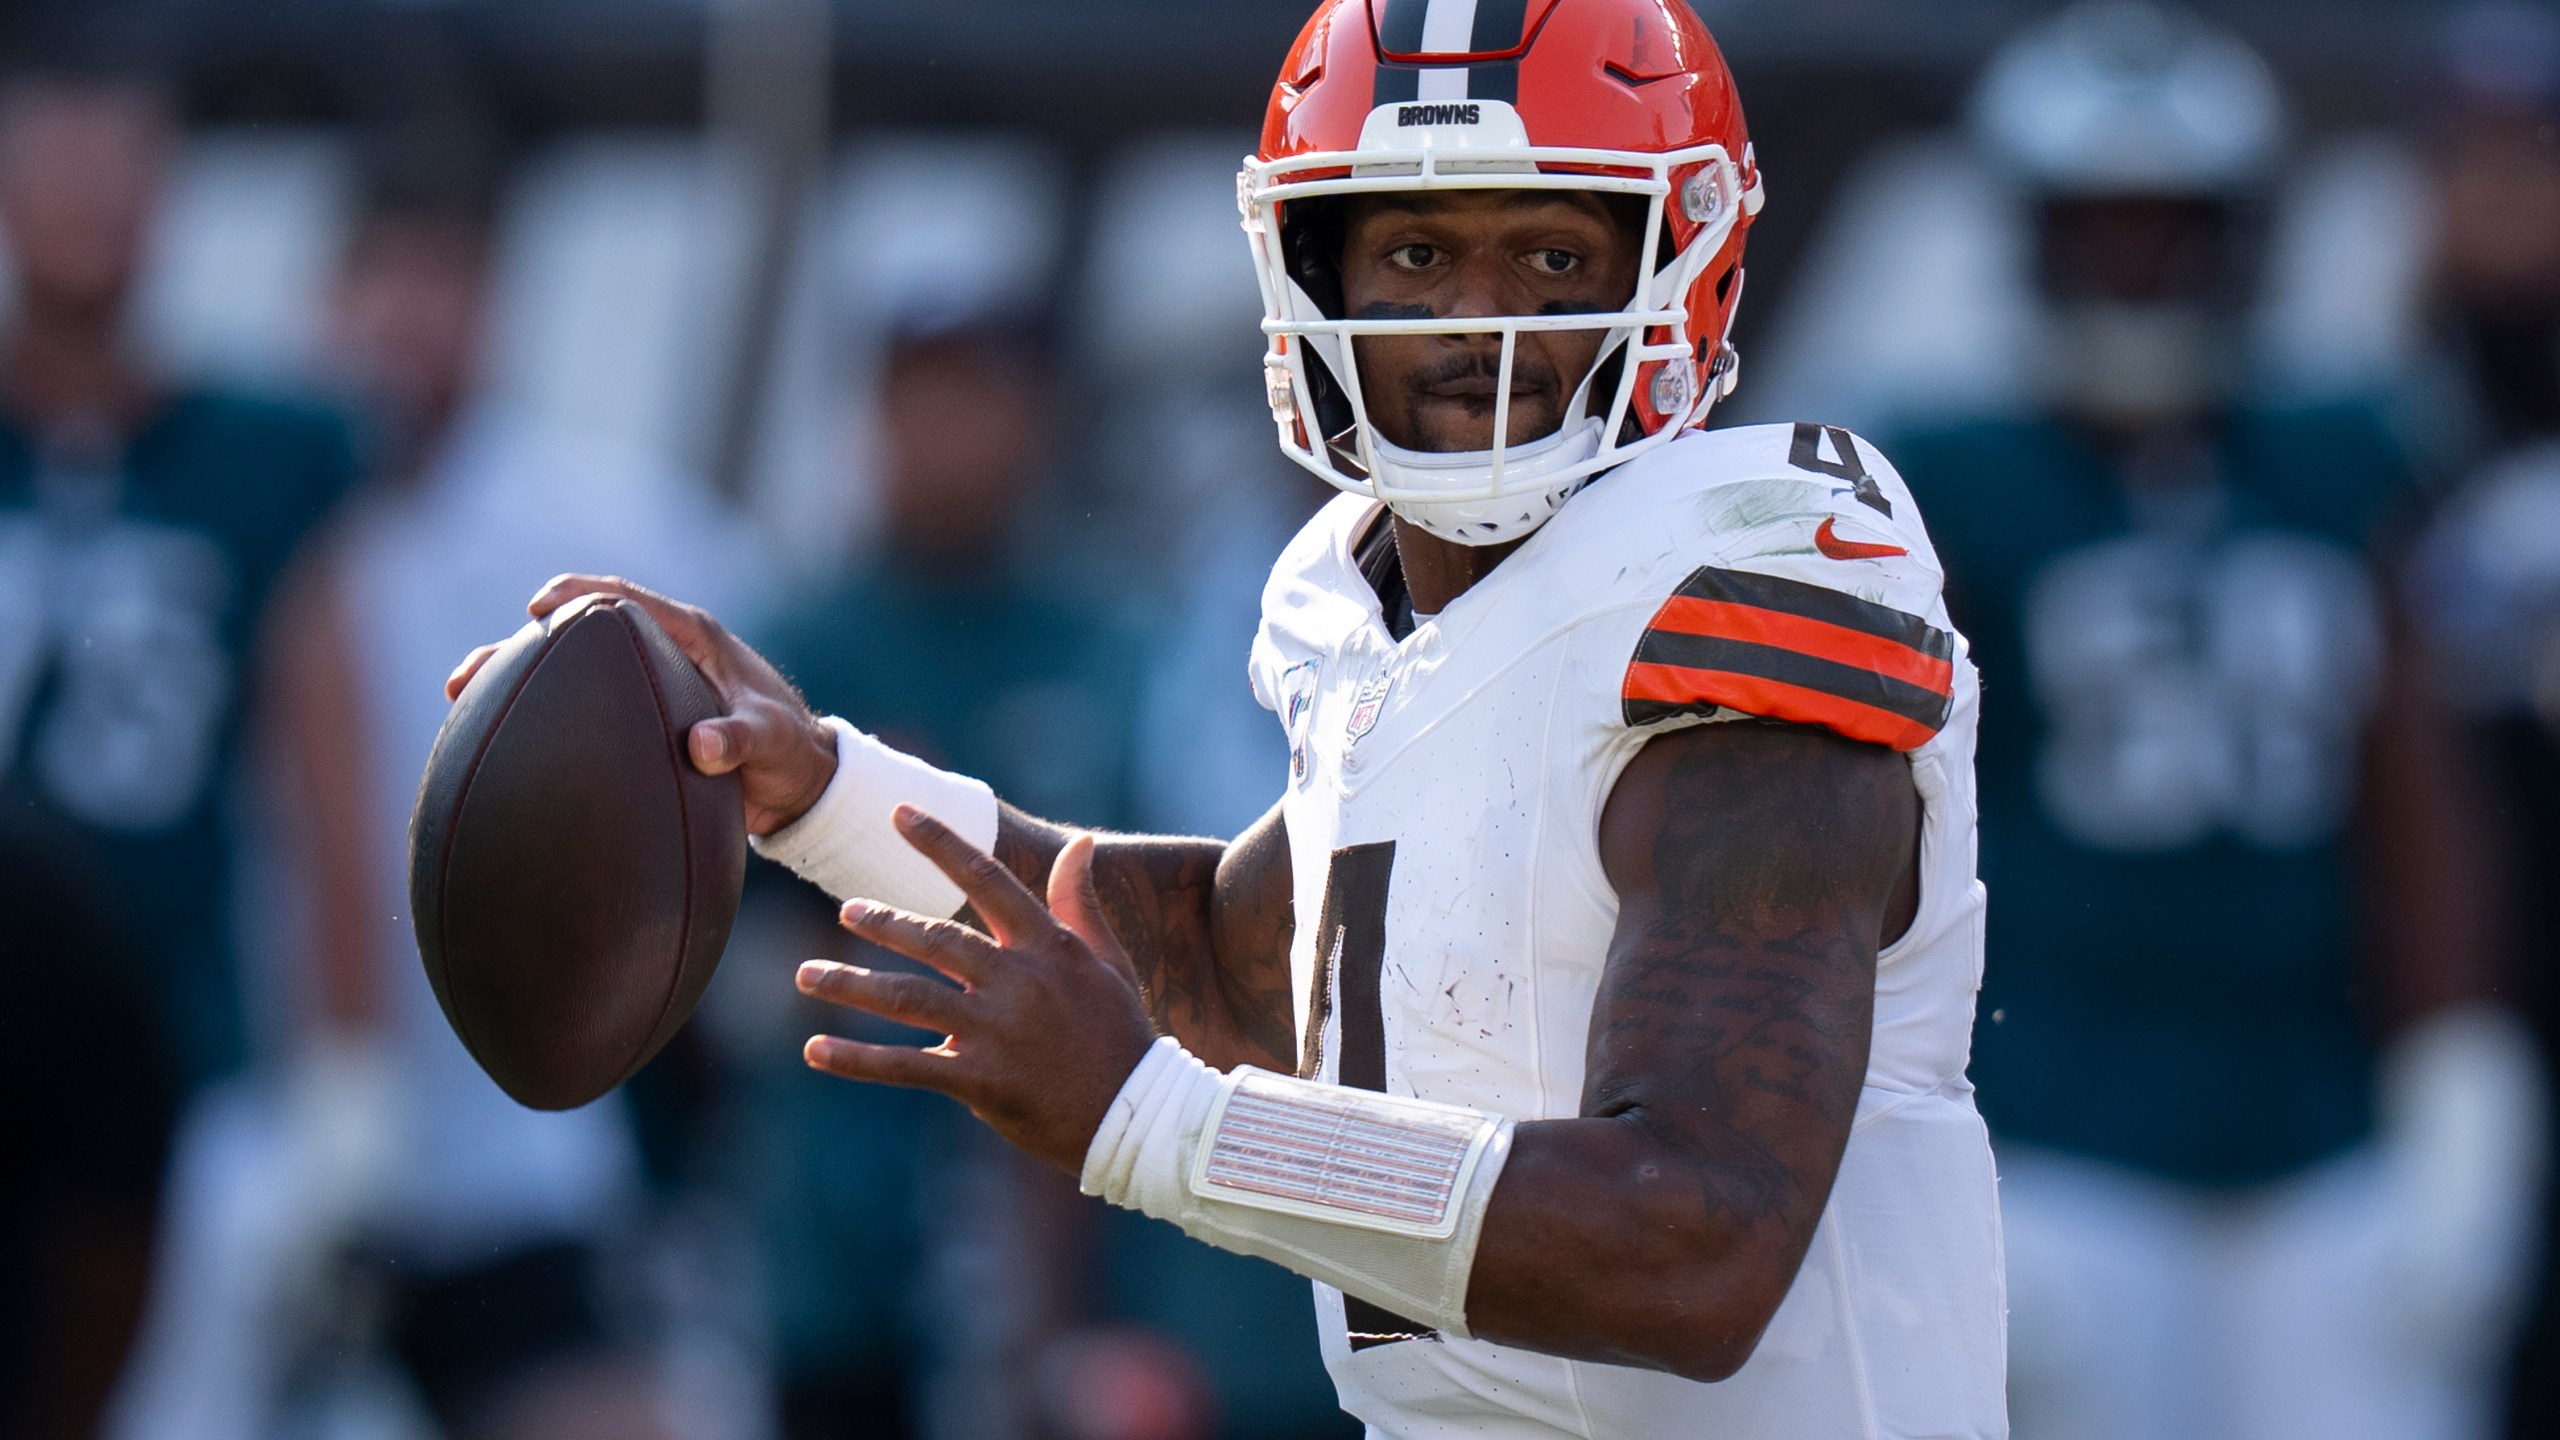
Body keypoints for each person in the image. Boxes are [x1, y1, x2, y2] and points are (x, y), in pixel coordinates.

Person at [450, 0, 2007, 1434]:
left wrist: (1151, 1124)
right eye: (1411, 256)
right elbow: (1220, 953)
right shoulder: (1367, 610)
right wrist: (817, 785)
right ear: (1308, 272)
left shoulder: (1741, 582)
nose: (1477, 324)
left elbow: (1696, 1241)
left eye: (1549, 256)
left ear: (1683, 261)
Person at [1885, 7, 2543, 1439]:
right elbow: (1877, 845)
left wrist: (2464, 1084)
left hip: (2328, 1127)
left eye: (2175, 227)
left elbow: (2419, 791)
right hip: (2058, 1129)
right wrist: (1904, 1136)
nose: (2144, 267)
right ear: (2027, 235)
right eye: (2103, 229)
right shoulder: (1941, 482)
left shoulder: (2345, 454)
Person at [0, 61, 359, 1092]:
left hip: (168, 1043)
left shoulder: (264, 455)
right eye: (58, 179)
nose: (85, 212)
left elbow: (329, 782)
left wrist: (349, 1083)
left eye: (112, 183)